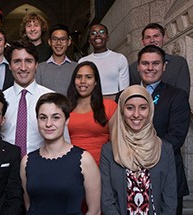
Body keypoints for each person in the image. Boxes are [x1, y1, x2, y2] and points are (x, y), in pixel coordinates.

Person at [100, 85, 177, 214]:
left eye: (143, 108)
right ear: (122, 111)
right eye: (130, 108)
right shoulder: (109, 150)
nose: (136, 114)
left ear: (150, 111)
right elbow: (107, 200)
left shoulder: (164, 149)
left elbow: (169, 200)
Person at [20, 93, 101, 215]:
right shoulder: (27, 161)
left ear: (67, 120)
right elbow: (29, 206)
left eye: (55, 117)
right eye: (43, 118)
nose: (48, 124)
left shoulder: (84, 160)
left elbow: (94, 211)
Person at [136, 45, 190, 215]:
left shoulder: (177, 96)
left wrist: (144, 154)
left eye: (156, 63)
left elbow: (176, 136)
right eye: (145, 63)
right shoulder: (125, 95)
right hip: (132, 174)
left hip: (166, 172)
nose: (150, 68)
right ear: (138, 66)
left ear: (164, 66)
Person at [1, 40, 53, 156]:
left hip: (42, 166)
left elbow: (62, 141)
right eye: (17, 61)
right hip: (7, 169)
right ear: (9, 66)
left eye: (28, 61)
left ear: (36, 65)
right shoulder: (1, 99)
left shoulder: (51, 99)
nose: (23, 67)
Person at [67, 61, 117, 164]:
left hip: (101, 167)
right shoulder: (65, 108)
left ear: (95, 82)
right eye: (79, 77)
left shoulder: (109, 106)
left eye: (88, 77)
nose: (83, 81)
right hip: (71, 166)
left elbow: (115, 144)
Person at [129, 23, 190, 96]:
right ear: (143, 41)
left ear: (164, 38)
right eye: (148, 37)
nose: (152, 40)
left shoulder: (178, 63)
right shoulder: (133, 68)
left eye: (156, 36)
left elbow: (183, 93)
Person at [78, 23, 129, 100]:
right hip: (91, 104)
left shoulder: (120, 58)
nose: (97, 35)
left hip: (114, 104)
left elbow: (124, 90)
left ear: (107, 37)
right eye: (93, 33)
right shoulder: (83, 61)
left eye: (102, 32)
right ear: (89, 40)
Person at [36, 24, 78, 95]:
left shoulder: (76, 67)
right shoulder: (40, 68)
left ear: (69, 42)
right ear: (49, 42)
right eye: (55, 39)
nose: (58, 43)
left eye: (63, 39)